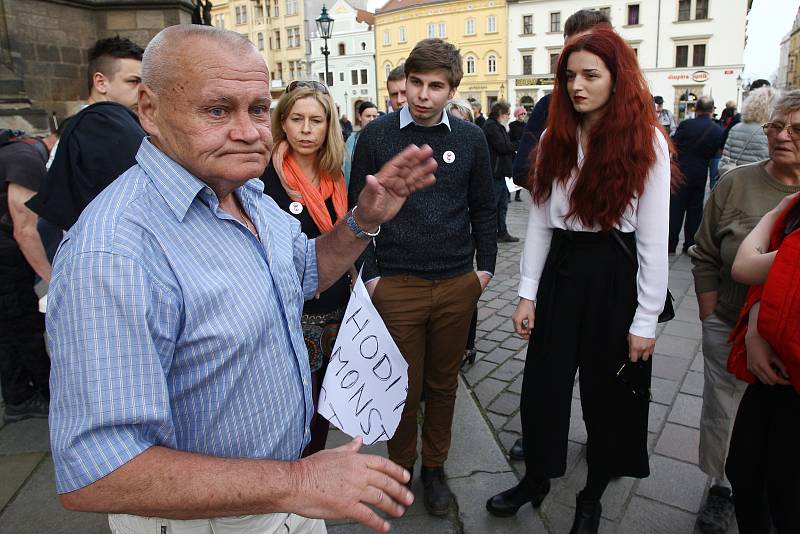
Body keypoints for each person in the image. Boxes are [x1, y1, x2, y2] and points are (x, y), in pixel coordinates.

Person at [47, 25, 440, 534]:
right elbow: (97, 471)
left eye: (257, 109)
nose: (252, 131)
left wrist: (363, 220)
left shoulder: (246, 190)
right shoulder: (115, 252)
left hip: (283, 491)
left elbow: (303, 272)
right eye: (217, 110)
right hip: (207, 519)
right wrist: (297, 482)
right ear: (149, 109)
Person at [485, 28, 672, 534]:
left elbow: (654, 241)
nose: (577, 86)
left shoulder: (645, 139)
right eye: (570, 75)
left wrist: (646, 319)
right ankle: (538, 478)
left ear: (618, 78)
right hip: (562, 273)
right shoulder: (555, 136)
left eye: (591, 75)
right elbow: (542, 222)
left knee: (608, 395)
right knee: (543, 386)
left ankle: (591, 498)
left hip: (614, 274)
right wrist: (527, 293)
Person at [349, 38, 497, 517]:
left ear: (452, 88)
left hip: (457, 282)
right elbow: (359, 212)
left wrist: (485, 268)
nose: (423, 95)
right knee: (401, 387)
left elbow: (483, 206)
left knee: (442, 383)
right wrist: (371, 277)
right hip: (397, 283)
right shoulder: (378, 137)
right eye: (416, 83)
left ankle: (435, 468)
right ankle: (399, 468)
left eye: (436, 86)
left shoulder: (470, 138)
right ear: (405, 81)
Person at [689, 90, 800, 534]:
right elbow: (704, 250)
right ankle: (720, 490)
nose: (782, 136)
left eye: (796, 130)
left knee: (777, 433)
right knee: (722, 409)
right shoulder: (737, 182)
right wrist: (710, 310)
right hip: (729, 321)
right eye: (775, 126)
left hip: (789, 343)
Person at [506, 6, 612, 464]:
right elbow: (522, 166)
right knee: (549, 365)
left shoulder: (634, 110)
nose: (580, 76)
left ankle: (604, 441)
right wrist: (562, 190)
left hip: (613, 258)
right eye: (574, 53)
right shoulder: (554, 108)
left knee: (606, 367)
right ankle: (540, 444)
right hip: (563, 251)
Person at [260, 80, 350, 458]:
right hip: (291, 312)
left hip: (336, 306)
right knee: (295, 402)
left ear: (329, 125)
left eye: (316, 120)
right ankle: (289, 473)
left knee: (325, 402)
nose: (306, 129)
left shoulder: (336, 176)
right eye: (297, 119)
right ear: (283, 123)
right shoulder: (265, 176)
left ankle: (312, 465)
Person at [725, 191, 800, 534]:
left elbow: (746, 267)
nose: (783, 136)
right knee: (745, 471)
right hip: (775, 374)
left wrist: (772, 213)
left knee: (784, 495)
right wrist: (755, 327)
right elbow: (771, 276)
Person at [26, 36, 146, 232]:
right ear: (100, 82)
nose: (143, 91)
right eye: (133, 81)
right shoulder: (100, 124)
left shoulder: (86, 125)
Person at [512, 9, 611, 190]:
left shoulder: (637, 117)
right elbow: (521, 171)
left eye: (587, 46)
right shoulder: (548, 106)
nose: (576, 56)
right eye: (569, 50)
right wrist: (563, 199)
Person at [0, 131, 54, 423]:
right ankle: (43, 396)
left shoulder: (14, 152)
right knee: (25, 326)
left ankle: (18, 396)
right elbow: (24, 229)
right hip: (6, 261)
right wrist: (52, 279)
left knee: (8, 330)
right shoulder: (27, 159)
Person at [669, 95, 724, 254]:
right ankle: (690, 244)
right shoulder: (717, 130)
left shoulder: (686, 125)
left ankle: (671, 244)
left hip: (681, 170)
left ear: (696, 109)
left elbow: (673, 143)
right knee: (695, 210)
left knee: (676, 208)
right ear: (712, 110)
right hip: (700, 172)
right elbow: (718, 152)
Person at [717, 87, 776, 179]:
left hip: (735, 180)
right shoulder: (771, 131)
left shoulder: (736, 128)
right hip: (759, 181)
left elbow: (724, 160)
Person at [483, 101, 519, 243]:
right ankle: (492, 233)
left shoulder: (498, 126)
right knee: (494, 204)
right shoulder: (491, 127)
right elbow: (503, 147)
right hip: (494, 172)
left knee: (502, 204)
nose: (509, 116)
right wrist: (518, 144)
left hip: (499, 172)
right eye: (507, 113)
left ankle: (501, 232)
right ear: (500, 113)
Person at [344, 101, 378, 187]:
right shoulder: (351, 140)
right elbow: (348, 170)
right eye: (368, 116)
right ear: (359, 117)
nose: (372, 119)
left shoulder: (382, 138)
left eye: (374, 116)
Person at [509, 107, 527, 202]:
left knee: (520, 173)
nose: (523, 116)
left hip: (522, 152)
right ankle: (508, 195)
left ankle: (517, 195)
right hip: (513, 151)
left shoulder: (526, 125)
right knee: (510, 173)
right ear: (517, 115)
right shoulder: (511, 125)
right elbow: (509, 138)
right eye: (521, 114)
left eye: (524, 114)